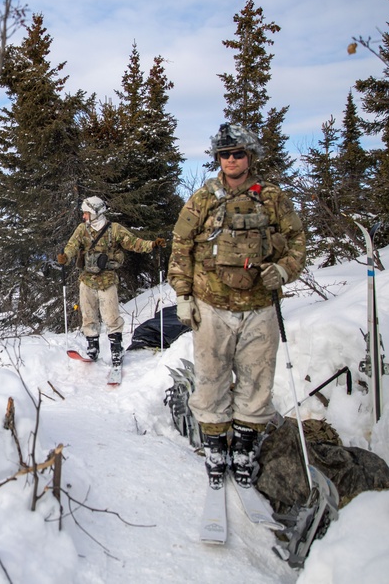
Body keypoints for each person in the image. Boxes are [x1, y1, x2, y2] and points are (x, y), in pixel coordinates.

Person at [167, 123, 306, 490]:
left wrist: (283, 269)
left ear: (250, 156)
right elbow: (181, 245)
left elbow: (297, 241)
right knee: (211, 377)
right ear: (218, 158)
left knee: (257, 379)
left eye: (238, 153)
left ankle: (243, 446)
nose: (231, 159)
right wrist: (183, 296)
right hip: (211, 304)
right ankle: (216, 447)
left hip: (260, 305)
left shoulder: (272, 197)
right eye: (225, 154)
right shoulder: (202, 199)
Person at [56, 196, 166, 365]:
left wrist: (152, 245)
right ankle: (92, 348)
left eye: (86, 213)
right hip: (87, 279)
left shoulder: (114, 229)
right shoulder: (81, 229)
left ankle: (116, 349)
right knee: (88, 315)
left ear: (95, 212)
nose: (84, 216)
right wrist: (66, 257)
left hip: (107, 279)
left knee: (111, 316)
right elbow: (72, 246)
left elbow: (133, 243)